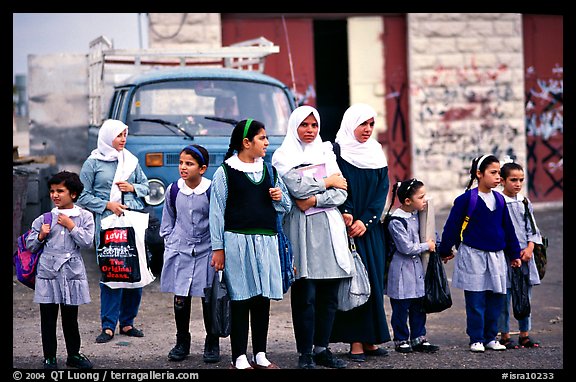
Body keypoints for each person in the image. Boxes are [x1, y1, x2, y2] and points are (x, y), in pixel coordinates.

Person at [272, 105, 353, 369]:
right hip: (300, 229)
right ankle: (304, 352)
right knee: (305, 293)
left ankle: (322, 349)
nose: (309, 130)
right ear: (294, 126)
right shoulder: (283, 155)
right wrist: (327, 181)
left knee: (328, 294)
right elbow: (294, 187)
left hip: (328, 228)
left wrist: (314, 197)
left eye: (314, 125)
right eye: (304, 125)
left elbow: (342, 193)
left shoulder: (325, 151)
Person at [209, 118, 292, 369]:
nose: (267, 142)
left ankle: (260, 354)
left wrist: (279, 197)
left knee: (261, 299)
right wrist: (218, 249)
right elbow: (216, 213)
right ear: (246, 142)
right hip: (237, 242)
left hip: (266, 242)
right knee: (240, 299)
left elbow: (286, 206)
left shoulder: (269, 171)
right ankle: (239, 356)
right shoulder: (225, 172)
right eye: (262, 138)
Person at [438, 154, 522, 353]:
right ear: (479, 174)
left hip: (497, 257)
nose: (497, 177)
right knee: (476, 300)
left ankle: (491, 337)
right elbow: (452, 227)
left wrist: (515, 253)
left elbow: (508, 229)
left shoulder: (500, 200)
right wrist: (445, 249)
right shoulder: (466, 200)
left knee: (496, 298)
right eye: (493, 173)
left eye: (499, 173)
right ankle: (476, 338)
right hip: (473, 256)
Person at [77, 119, 150, 344]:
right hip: (108, 224)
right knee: (112, 272)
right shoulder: (93, 163)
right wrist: (108, 205)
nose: (123, 139)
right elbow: (80, 194)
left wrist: (133, 188)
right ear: (108, 136)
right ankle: (108, 326)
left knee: (133, 271)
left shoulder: (131, 161)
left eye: (125, 135)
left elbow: (147, 188)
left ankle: (127, 322)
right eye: (119, 135)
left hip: (131, 223)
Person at [329, 103, 391, 361]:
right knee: (353, 284)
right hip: (346, 229)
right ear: (349, 123)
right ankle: (355, 342)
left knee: (373, 282)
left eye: (371, 124)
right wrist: (350, 213)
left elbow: (382, 191)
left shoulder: (376, 152)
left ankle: (370, 340)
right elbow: (339, 185)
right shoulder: (337, 152)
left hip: (370, 230)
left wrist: (367, 220)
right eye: (362, 124)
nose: (367, 130)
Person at [159, 144, 220, 363]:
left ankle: (212, 341)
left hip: (207, 250)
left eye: (189, 164)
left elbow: (217, 220)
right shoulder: (174, 190)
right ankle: (182, 341)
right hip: (181, 249)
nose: (183, 168)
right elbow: (168, 219)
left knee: (208, 298)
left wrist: (218, 249)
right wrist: (170, 241)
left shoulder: (212, 190)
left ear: (202, 168)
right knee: (181, 298)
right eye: (181, 163)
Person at [28, 171, 95, 369]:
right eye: (52, 191)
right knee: (47, 318)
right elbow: (30, 246)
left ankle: (73, 354)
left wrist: (71, 226)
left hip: (72, 273)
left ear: (73, 194)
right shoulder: (45, 218)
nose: (55, 195)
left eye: (60, 191)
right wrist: (40, 236)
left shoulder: (85, 217)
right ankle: (49, 357)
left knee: (70, 318)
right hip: (49, 273)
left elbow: (87, 242)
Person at [385, 179, 440, 354]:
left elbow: (428, 234)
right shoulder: (396, 221)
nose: (425, 200)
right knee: (401, 307)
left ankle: (419, 337)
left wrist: (437, 244)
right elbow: (405, 247)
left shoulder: (417, 215)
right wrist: (426, 246)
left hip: (417, 270)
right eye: (421, 197)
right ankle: (401, 339)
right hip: (402, 270)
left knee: (418, 305)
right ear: (408, 201)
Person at [497, 161, 542, 349]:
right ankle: (505, 336)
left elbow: (532, 228)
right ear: (502, 181)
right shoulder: (498, 202)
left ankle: (525, 334)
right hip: (506, 256)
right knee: (504, 297)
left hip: (525, 256)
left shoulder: (524, 201)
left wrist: (530, 248)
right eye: (513, 179)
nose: (517, 184)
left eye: (521, 180)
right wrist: (512, 252)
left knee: (525, 296)